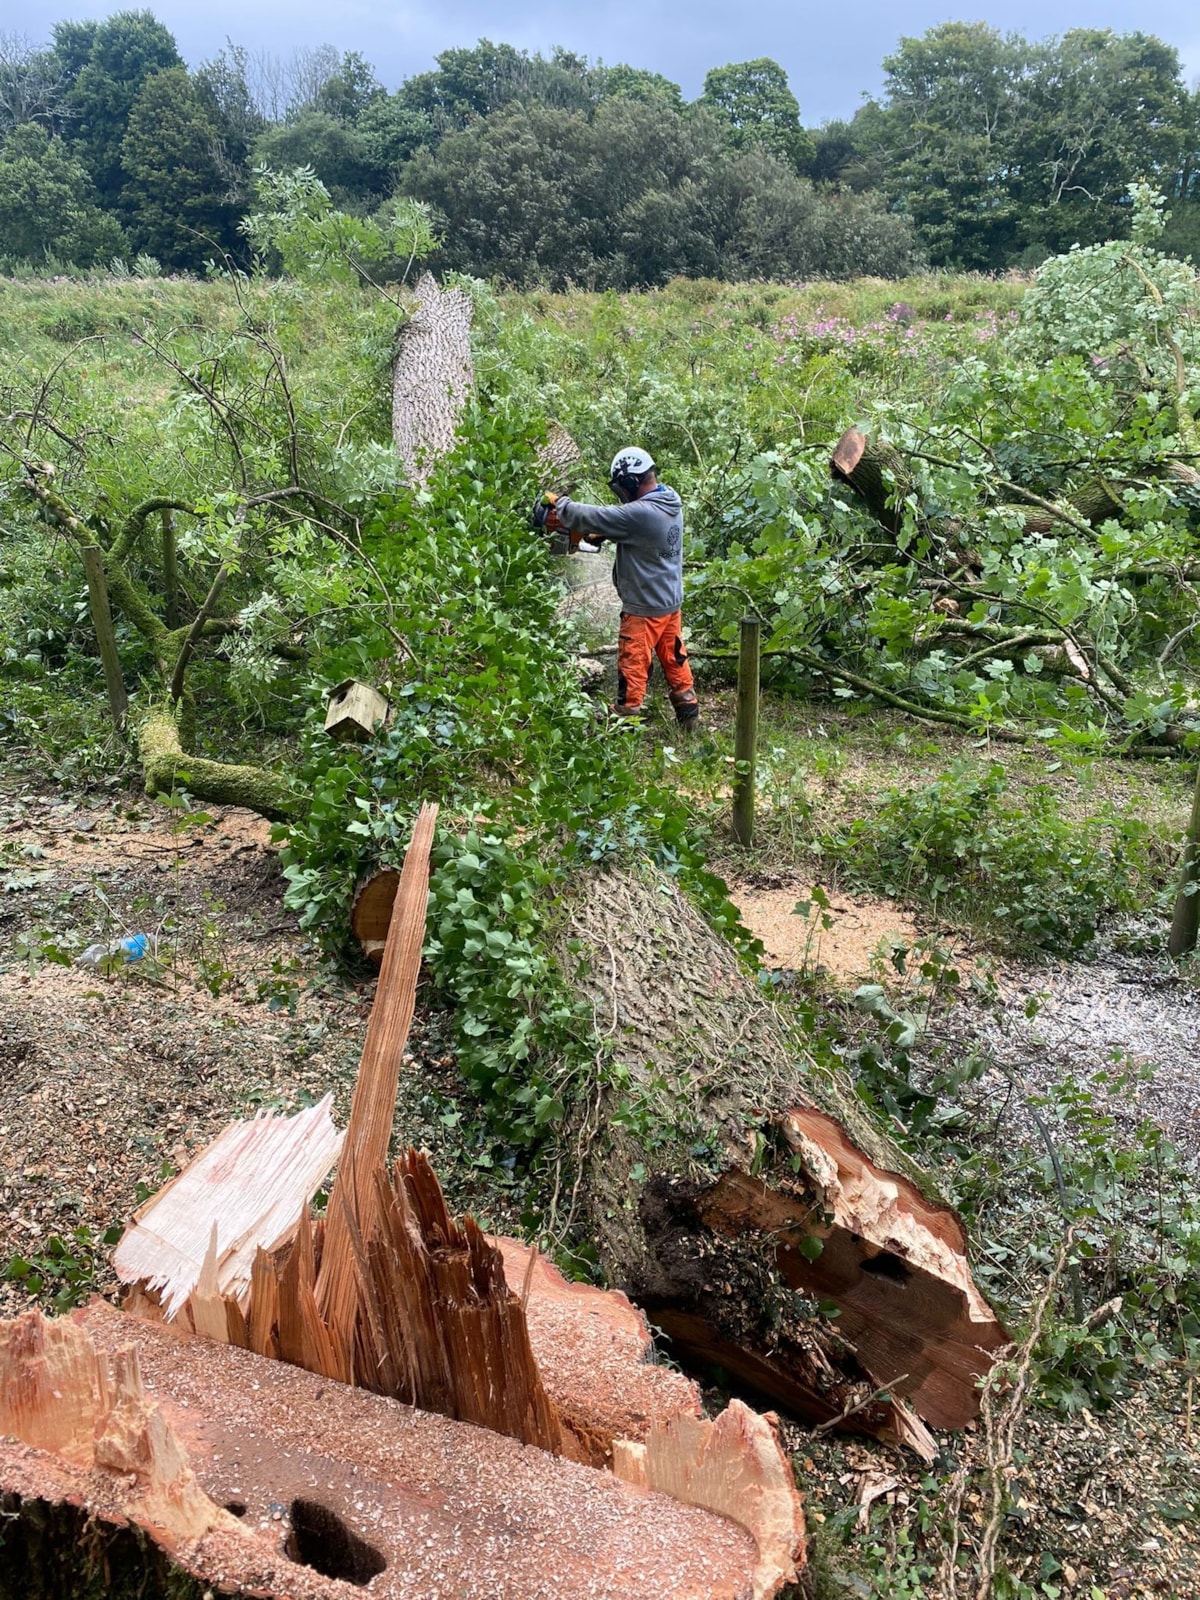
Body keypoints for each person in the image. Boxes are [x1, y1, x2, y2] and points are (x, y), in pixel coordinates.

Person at [551, 448, 699, 728]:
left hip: (644, 608)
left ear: (630, 483)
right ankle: (688, 717)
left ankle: (624, 723)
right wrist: (606, 534)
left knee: (632, 666)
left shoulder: (640, 513)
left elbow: (593, 515)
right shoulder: (668, 501)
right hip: (669, 603)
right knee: (675, 660)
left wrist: (560, 504)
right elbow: (633, 527)